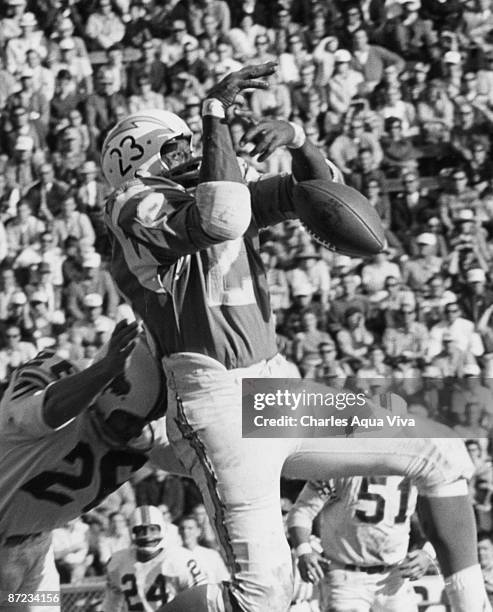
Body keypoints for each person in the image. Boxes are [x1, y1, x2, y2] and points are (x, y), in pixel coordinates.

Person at [101, 64, 488, 612]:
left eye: (191, 142)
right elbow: (220, 216)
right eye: (176, 145)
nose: (189, 151)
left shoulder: (209, 188)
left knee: (441, 449)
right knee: (265, 596)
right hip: (219, 404)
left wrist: (300, 141)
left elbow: (318, 193)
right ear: (139, 159)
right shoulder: (130, 209)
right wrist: (215, 117)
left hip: (272, 390)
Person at [0, 322, 177, 609]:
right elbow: (45, 410)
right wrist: (105, 371)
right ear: (111, 392)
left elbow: (224, 458)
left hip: (36, 550)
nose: (134, 430)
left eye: (143, 421)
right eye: (131, 420)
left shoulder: (142, 432)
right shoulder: (55, 384)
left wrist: (264, 386)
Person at [288, 475, 430, 612]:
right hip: (346, 577)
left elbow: (439, 516)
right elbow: (302, 511)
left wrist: (428, 553)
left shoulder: (412, 467)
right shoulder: (338, 467)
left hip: (395, 576)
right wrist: (304, 550)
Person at [103, 506, 207, 611]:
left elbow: (202, 598)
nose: (147, 535)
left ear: (162, 529)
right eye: (140, 530)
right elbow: (111, 604)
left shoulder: (179, 558)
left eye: (153, 529)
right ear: (131, 532)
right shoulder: (119, 561)